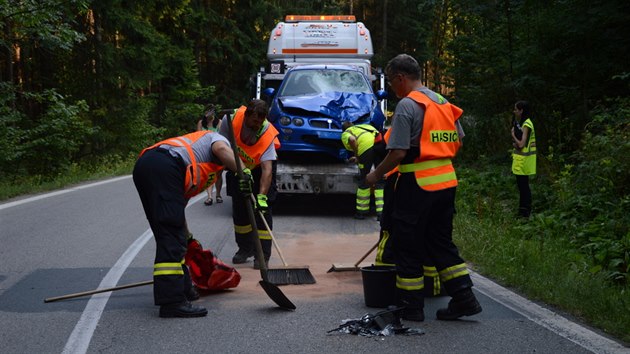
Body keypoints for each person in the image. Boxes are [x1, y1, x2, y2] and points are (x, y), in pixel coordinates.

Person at [366, 54, 481, 322]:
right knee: (441, 243)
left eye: (394, 84)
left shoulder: (408, 105)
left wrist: (375, 176)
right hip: (446, 183)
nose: (394, 90)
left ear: (400, 78)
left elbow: (397, 153)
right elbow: (458, 141)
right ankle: (465, 298)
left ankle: (411, 306)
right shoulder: (442, 102)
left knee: (408, 244)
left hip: (416, 185)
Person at [133, 129, 252, 318]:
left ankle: (183, 288)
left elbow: (178, 210)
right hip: (164, 166)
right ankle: (172, 302)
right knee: (171, 236)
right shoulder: (219, 139)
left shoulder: (198, 165)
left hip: (147, 166)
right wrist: (244, 172)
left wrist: (188, 238)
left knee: (169, 232)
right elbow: (222, 149)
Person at [218, 99, 280, 269]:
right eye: (254, 121)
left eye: (260, 122)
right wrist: (240, 171)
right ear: (246, 116)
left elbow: (267, 170)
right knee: (240, 210)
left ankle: (262, 255)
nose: (257, 125)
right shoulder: (229, 121)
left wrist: (261, 196)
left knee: (262, 211)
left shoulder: (267, 133)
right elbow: (221, 147)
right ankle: (245, 249)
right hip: (236, 165)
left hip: (260, 168)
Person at [341, 121, 386, 219]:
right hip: (380, 147)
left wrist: (357, 155)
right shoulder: (365, 126)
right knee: (380, 179)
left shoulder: (346, 133)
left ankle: (361, 212)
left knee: (364, 179)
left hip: (366, 150)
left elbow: (352, 140)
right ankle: (381, 213)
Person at [511, 100, 537, 218]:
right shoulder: (525, 123)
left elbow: (521, 144)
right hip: (523, 161)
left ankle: (525, 213)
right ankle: (523, 212)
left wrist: (513, 136)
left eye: (516, 109)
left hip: (524, 162)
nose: (514, 111)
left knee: (524, 188)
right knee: (523, 187)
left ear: (521, 111)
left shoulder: (526, 124)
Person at [197, 105, 224, 206]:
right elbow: (198, 137)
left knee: (218, 174)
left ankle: (218, 194)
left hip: (217, 151)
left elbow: (221, 136)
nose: (209, 113)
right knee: (209, 174)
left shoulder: (219, 123)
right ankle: (209, 197)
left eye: (211, 111)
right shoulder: (201, 123)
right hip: (205, 151)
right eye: (207, 111)